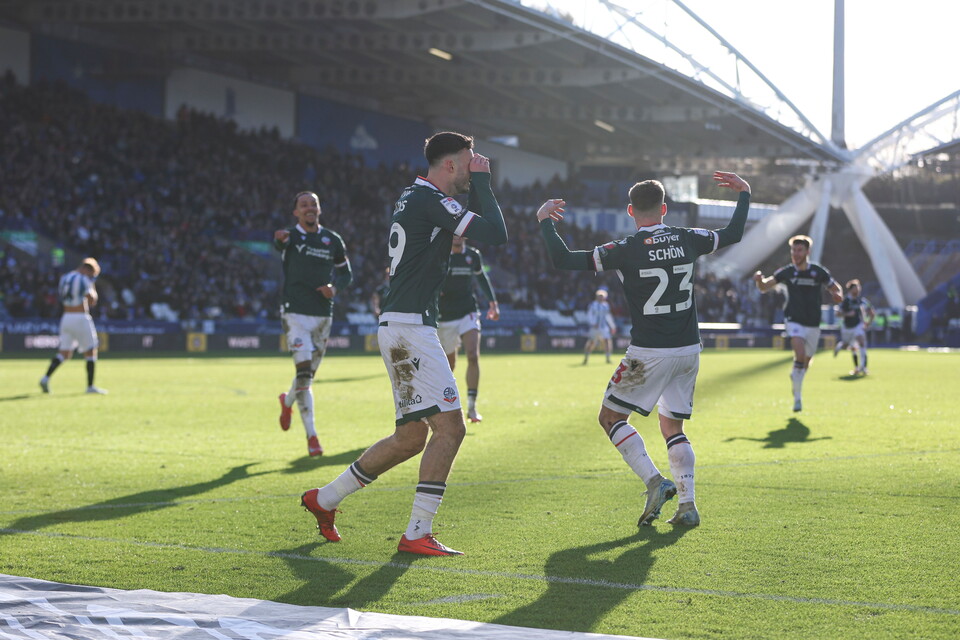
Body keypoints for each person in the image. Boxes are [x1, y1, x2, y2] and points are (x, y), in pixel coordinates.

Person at [300, 132, 507, 556]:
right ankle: (417, 532)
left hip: (403, 325)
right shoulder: (429, 199)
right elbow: (497, 233)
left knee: (411, 437)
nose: (476, 166)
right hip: (411, 329)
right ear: (450, 164)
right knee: (451, 428)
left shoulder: (416, 197)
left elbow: (481, 232)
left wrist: (479, 181)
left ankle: (323, 500)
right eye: (470, 160)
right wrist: (485, 182)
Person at [535, 171, 752, 528]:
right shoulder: (689, 238)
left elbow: (565, 259)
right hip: (688, 350)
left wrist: (545, 223)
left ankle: (655, 481)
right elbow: (733, 233)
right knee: (673, 428)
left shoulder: (624, 249)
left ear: (630, 211)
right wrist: (743, 194)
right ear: (664, 209)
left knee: (610, 418)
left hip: (649, 352)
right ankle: (688, 505)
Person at [274, 191, 353, 457]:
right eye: (303, 205)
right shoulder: (290, 236)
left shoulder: (333, 240)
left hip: (323, 315)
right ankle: (312, 437)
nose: (309, 208)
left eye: (313, 204)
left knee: (307, 375)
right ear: (296, 212)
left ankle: (287, 401)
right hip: (295, 314)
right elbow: (280, 245)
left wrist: (335, 287)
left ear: (319, 209)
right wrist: (279, 241)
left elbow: (346, 273)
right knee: (305, 377)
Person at [754, 235, 843, 412]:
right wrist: (759, 281)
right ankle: (797, 398)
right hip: (794, 320)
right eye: (793, 250)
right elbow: (765, 286)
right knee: (800, 354)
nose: (795, 253)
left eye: (799, 250)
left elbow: (835, 287)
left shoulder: (818, 272)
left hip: (813, 323)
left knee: (806, 361)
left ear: (807, 252)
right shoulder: (786, 272)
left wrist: (838, 295)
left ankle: (796, 378)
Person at [437, 235, 500, 423]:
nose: (457, 237)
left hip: (468, 312)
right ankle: (442, 405)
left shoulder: (473, 256)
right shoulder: (440, 255)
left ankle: (472, 406)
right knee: (449, 365)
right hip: (444, 316)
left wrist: (493, 303)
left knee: (473, 354)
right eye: (454, 233)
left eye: (461, 233)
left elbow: (482, 278)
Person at [39, 257, 107, 395]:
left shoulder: (65, 277)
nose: (92, 277)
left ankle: (45, 378)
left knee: (64, 353)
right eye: (92, 274)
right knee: (91, 351)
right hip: (80, 317)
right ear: (87, 269)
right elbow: (92, 300)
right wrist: (92, 285)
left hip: (66, 317)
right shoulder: (84, 279)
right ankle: (90, 386)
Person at [833, 279, 875, 375]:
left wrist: (868, 322)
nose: (858, 290)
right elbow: (837, 313)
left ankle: (863, 367)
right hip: (847, 327)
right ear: (851, 290)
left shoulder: (861, 301)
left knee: (861, 343)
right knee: (848, 346)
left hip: (858, 326)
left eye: (859, 288)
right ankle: (840, 346)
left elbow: (871, 312)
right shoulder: (845, 301)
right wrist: (847, 314)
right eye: (856, 288)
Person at [583, 289, 616, 365]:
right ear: (596, 297)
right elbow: (589, 315)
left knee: (607, 341)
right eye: (600, 296)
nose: (601, 298)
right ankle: (586, 358)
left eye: (603, 296)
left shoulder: (606, 305)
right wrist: (593, 323)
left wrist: (612, 326)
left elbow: (608, 316)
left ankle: (608, 358)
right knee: (591, 342)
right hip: (595, 327)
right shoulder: (593, 305)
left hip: (604, 327)